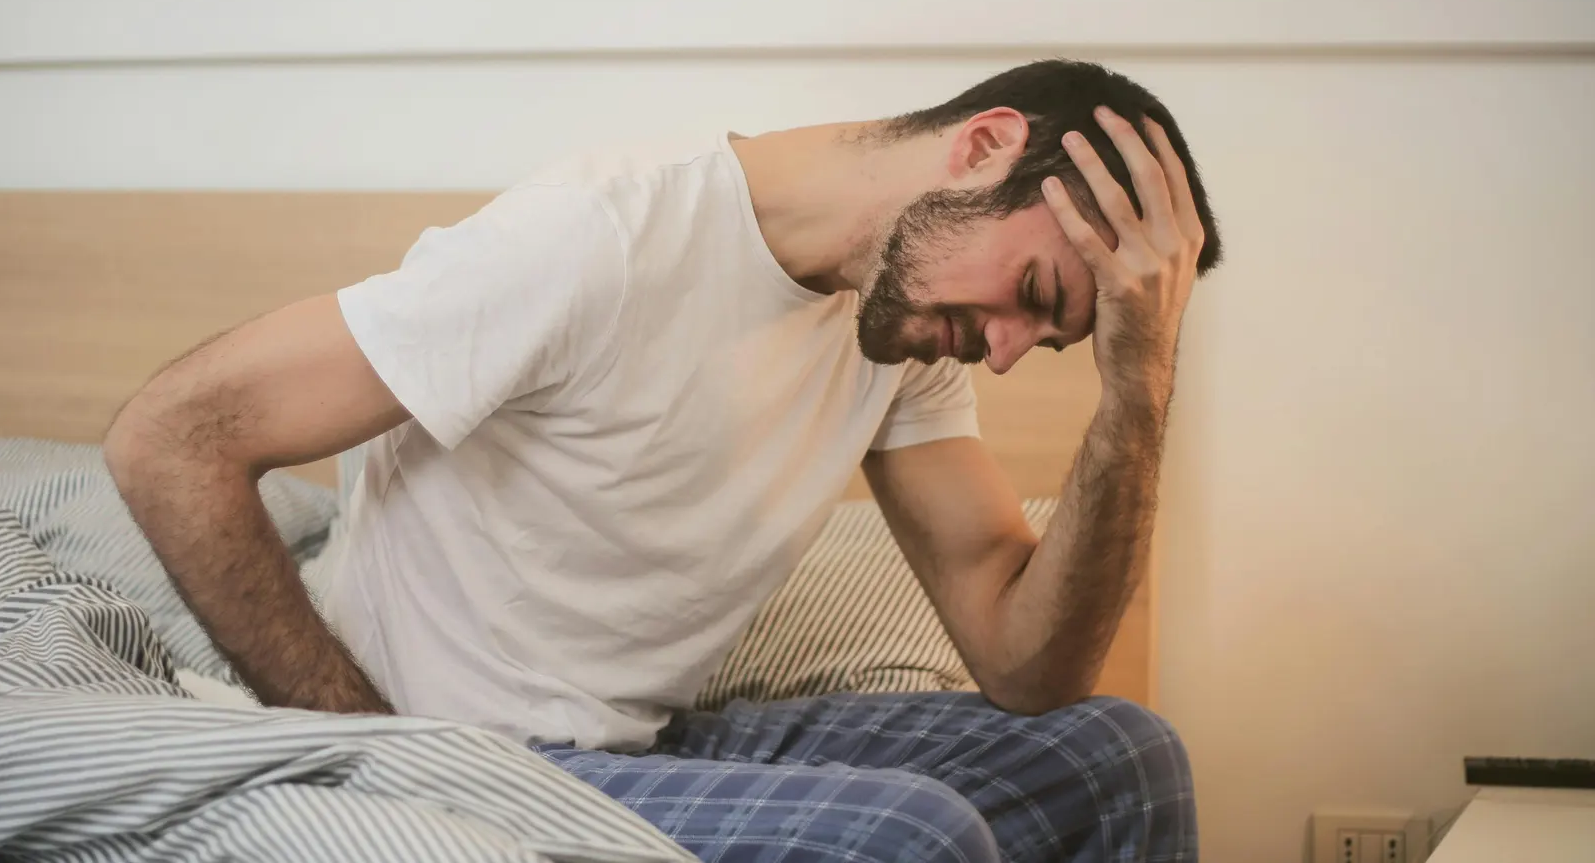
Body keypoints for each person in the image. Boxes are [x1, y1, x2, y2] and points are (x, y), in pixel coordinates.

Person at [105, 58, 1223, 862]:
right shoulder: (599, 237)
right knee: (908, 839)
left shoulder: (903, 330)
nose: (1010, 350)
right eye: (1033, 293)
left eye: (1052, 339)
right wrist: (375, 752)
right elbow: (172, 435)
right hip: (456, 749)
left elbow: (1029, 669)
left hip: (635, 743)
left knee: (1116, 756)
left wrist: (1138, 384)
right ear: (982, 147)